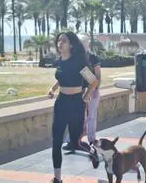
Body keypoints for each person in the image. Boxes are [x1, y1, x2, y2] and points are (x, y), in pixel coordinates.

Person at [47, 31, 99, 183]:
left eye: (63, 40)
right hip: (61, 103)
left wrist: (86, 96)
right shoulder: (60, 61)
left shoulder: (78, 63)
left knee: (75, 143)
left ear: (71, 44)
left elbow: (93, 82)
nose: (60, 43)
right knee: (56, 142)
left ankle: (92, 152)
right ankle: (57, 178)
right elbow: (61, 78)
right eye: (58, 40)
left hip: (76, 104)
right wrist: (52, 89)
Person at [63, 34, 101, 149]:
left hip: (91, 91)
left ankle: (91, 139)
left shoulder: (92, 58)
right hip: (77, 91)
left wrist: (91, 92)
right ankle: (72, 140)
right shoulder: (73, 58)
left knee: (91, 116)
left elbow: (96, 78)